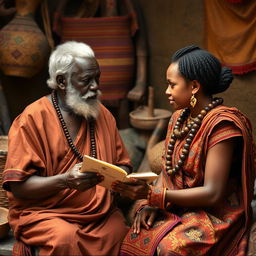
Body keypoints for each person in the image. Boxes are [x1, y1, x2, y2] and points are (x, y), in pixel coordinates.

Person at [112, 45, 256, 255]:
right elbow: (167, 169)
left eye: (172, 85)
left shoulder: (222, 126)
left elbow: (213, 194)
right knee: (135, 235)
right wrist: (151, 203)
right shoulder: (178, 118)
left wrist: (156, 195)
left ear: (194, 86)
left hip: (214, 212)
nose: (167, 91)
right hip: (178, 204)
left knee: (168, 249)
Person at [2, 41, 132, 256]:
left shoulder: (103, 115)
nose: (95, 87)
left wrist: (120, 177)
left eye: (97, 78)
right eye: (86, 80)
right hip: (47, 214)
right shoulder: (32, 119)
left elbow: (123, 165)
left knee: (120, 233)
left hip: (99, 215)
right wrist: (65, 180)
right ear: (62, 82)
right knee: (66, 238)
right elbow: (18, 187)